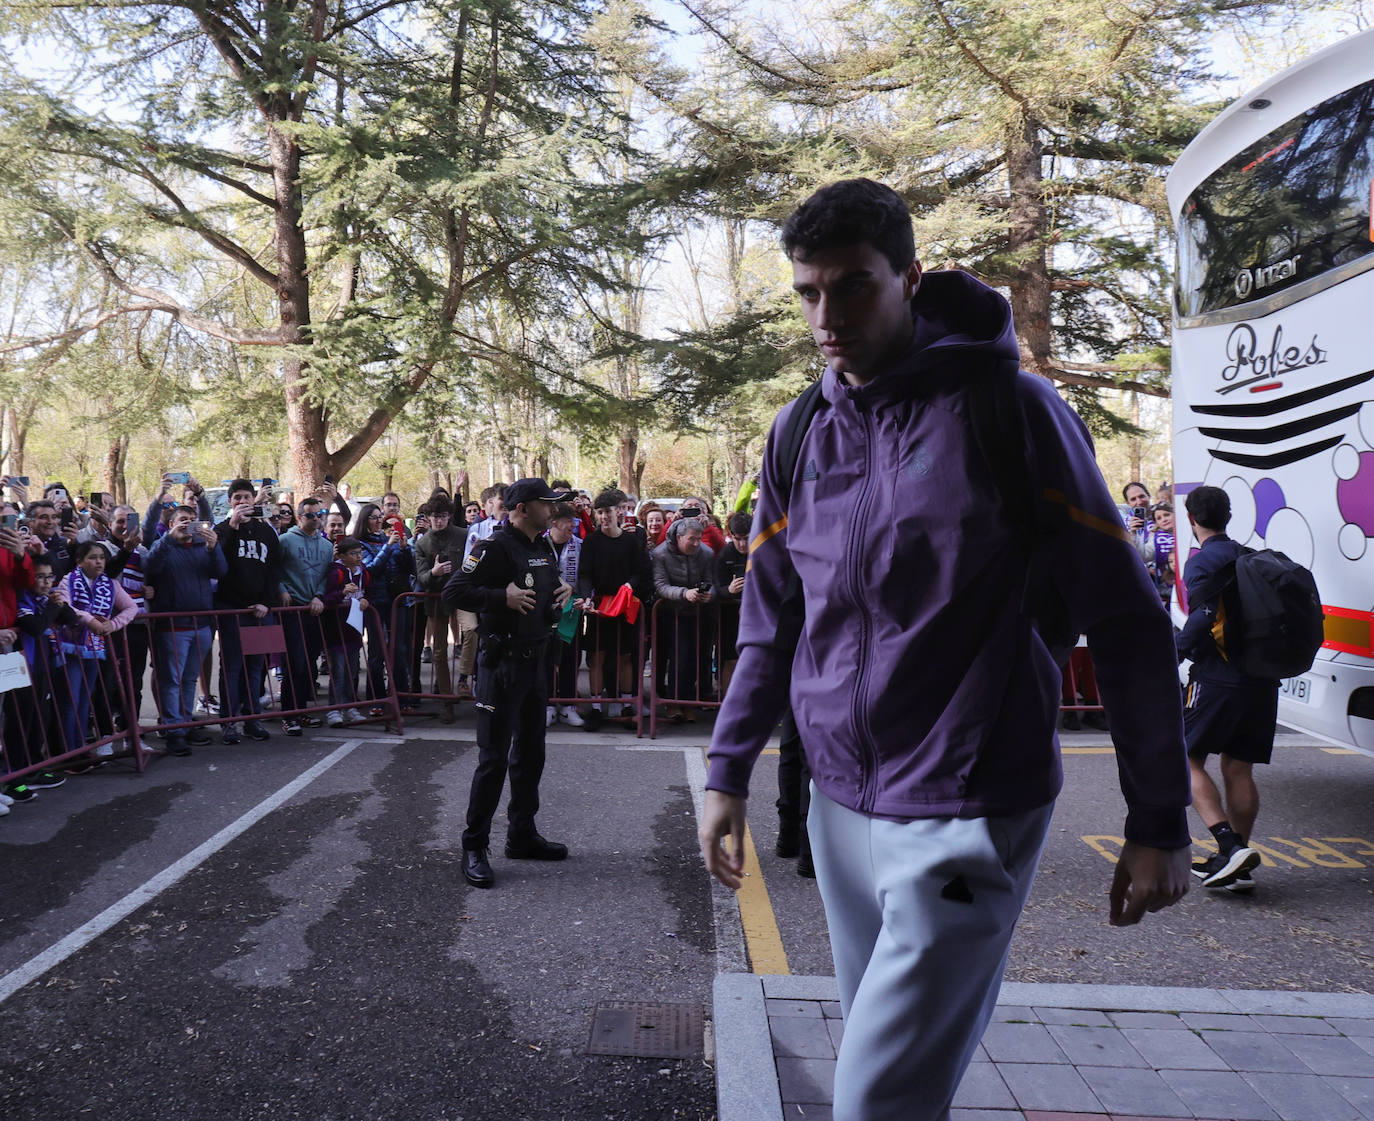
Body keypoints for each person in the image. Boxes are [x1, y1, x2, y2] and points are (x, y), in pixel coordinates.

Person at [698, 179, 1191, 1121]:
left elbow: (1126, 619)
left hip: (971, 800)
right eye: (807, 291)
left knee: (873, 1101)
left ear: (910, 278)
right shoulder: (799, 431)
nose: (826, 316)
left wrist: (1159, 818)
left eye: (852, 286)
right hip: (839, 804)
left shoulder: (1016, 412)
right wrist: (728, 772)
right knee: (895, 1085)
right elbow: (771, 616)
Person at [440, 478, 574, 889]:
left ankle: (521, 834)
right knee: (494, 758)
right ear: (521, 507)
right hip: (502, 667)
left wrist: (565, 591)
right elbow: (454, 591)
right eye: (545, 502)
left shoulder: (541, 546)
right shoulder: (494, 547)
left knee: (531, 753)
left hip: (535, 664)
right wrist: (502, 599)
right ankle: (474, 845)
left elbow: (542, 594)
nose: (553, 508)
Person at [1176, 485, 1270, 894]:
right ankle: (1238, 863)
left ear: (1192, 519)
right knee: (1238, 766)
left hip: (1218, 677)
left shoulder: (1202, 561)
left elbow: (1202, 618)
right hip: (1262, 680)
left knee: (1186, 758)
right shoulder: (1253, 556)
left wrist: (1173, 655)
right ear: (1228, 517)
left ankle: (1228, 845)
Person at [144, 506, 226, 756]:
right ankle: (174, 730)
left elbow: (221, 571)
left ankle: (186, 721)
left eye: (192, 520)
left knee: (190, 678)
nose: (188, 524)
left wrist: (215, 548)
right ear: (171, 525)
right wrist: (169, 539)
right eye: (182, 520)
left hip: (201, 624)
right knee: (172, 680)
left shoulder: (204, 546)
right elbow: (151, 566)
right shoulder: (164, 546)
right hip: (173, 627)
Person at [576, 488, 652, 729]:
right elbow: (584, 574)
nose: (604, 517)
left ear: (618, 512)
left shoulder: (631, 540)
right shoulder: (591, 541)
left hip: (626, 605)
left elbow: (641, 571)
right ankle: (597, 707)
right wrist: (587, 596)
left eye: (607, 511)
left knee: (626, 656)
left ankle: (628, 704)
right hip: (600, 606)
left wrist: (629, 585)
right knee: (596, 656)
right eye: (599, 512)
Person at [214, 479, 282, 744]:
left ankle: (252, 719)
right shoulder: (222, 529)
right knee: (231, 667)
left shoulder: (266, 532)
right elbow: (216, 561)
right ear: (230, 502)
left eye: (246, 497)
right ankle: (228, 722)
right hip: (231, 609)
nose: (242, 502)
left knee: (255, 667)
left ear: (254, 500)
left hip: (259, 611)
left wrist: (267, 602)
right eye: (237, 498)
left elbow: (274, 571)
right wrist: (232, 527)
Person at [278, 496, 334, 736]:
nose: (317, 519)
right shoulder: (285, 541)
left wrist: (320, 596)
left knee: (308, 664)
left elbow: (327, 576)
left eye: (319, 514)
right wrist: (281, 589)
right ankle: (288, 714)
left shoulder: (327, 546)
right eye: (311, 515)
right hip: (293, 611)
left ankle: (301, 710)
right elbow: (274, 570)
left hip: (315, 609)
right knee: (295, 663)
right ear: (300, 517)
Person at [652, 517, 716, 721]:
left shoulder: (706, 553)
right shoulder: (660, 554)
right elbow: (660, 585)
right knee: (678, 656)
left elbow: (711, 581)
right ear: (679, 537)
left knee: (697, 657)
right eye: (692, 539)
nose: (696, 544)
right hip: (671, 611)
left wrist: (709, 593)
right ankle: (672, 702)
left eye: (699, 539)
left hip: (698, 612)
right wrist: (684, 593)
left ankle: (688, 702)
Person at [414, 496, 466, 722]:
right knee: (439, 652)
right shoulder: (422, 543)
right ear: (428, 518)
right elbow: (422, 577)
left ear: (449, 517)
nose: (439, 521)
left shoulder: (463, 536)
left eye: (443, 516)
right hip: (436, 601)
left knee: (473, 634)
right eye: (435, 517)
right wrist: (434, 573)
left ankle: (465, 681)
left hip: (464, 598)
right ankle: (447, 700)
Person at [320, 537, 370, 726]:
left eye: (360, 553)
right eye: (353, 554)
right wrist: (341, 593)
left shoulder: (364, 573)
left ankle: (350, 706)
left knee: (353, 671)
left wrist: (366, 600)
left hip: (354, 631)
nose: (358, 557)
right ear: (341, 556)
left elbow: (369, 591)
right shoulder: (336, 574)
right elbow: (326, 598)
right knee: (338, 671)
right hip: (336, 631)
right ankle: (334, 708)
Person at [544, 501, 585, 727]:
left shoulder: (579, 545)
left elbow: (587, 575)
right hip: (543, 611)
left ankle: (568, 705)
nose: (573, 525)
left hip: (571, 611)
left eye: (574, 520)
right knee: (545, 659)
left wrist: (584, 595)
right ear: (554, 522)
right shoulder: (539, 544)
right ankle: (547, 704)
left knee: (570, 658)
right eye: (568, 521)